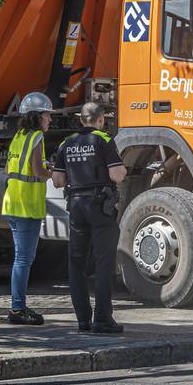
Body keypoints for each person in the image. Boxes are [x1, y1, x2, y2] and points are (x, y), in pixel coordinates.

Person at [52, 102, 128, 334]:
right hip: (100, 206)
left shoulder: (67, 143)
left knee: (76, 263)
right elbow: (116, 174)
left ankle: (83, 320)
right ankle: (103, 319)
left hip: (76, 205)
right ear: (100, 119)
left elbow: (57, 181)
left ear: (81, 119)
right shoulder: (103, 140)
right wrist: (122, 171)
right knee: (104, 262)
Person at [1, 92, 54, 326]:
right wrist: (53, 173)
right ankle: (17, 309)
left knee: (20, 258)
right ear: (36, 117)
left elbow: (9, 169)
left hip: (12, 203)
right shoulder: (36, 138)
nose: (50, 120)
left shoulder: (18, 136)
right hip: (26, 206)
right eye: (47, 115)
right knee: (23, 259)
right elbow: (37, 171)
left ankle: (18, 307)